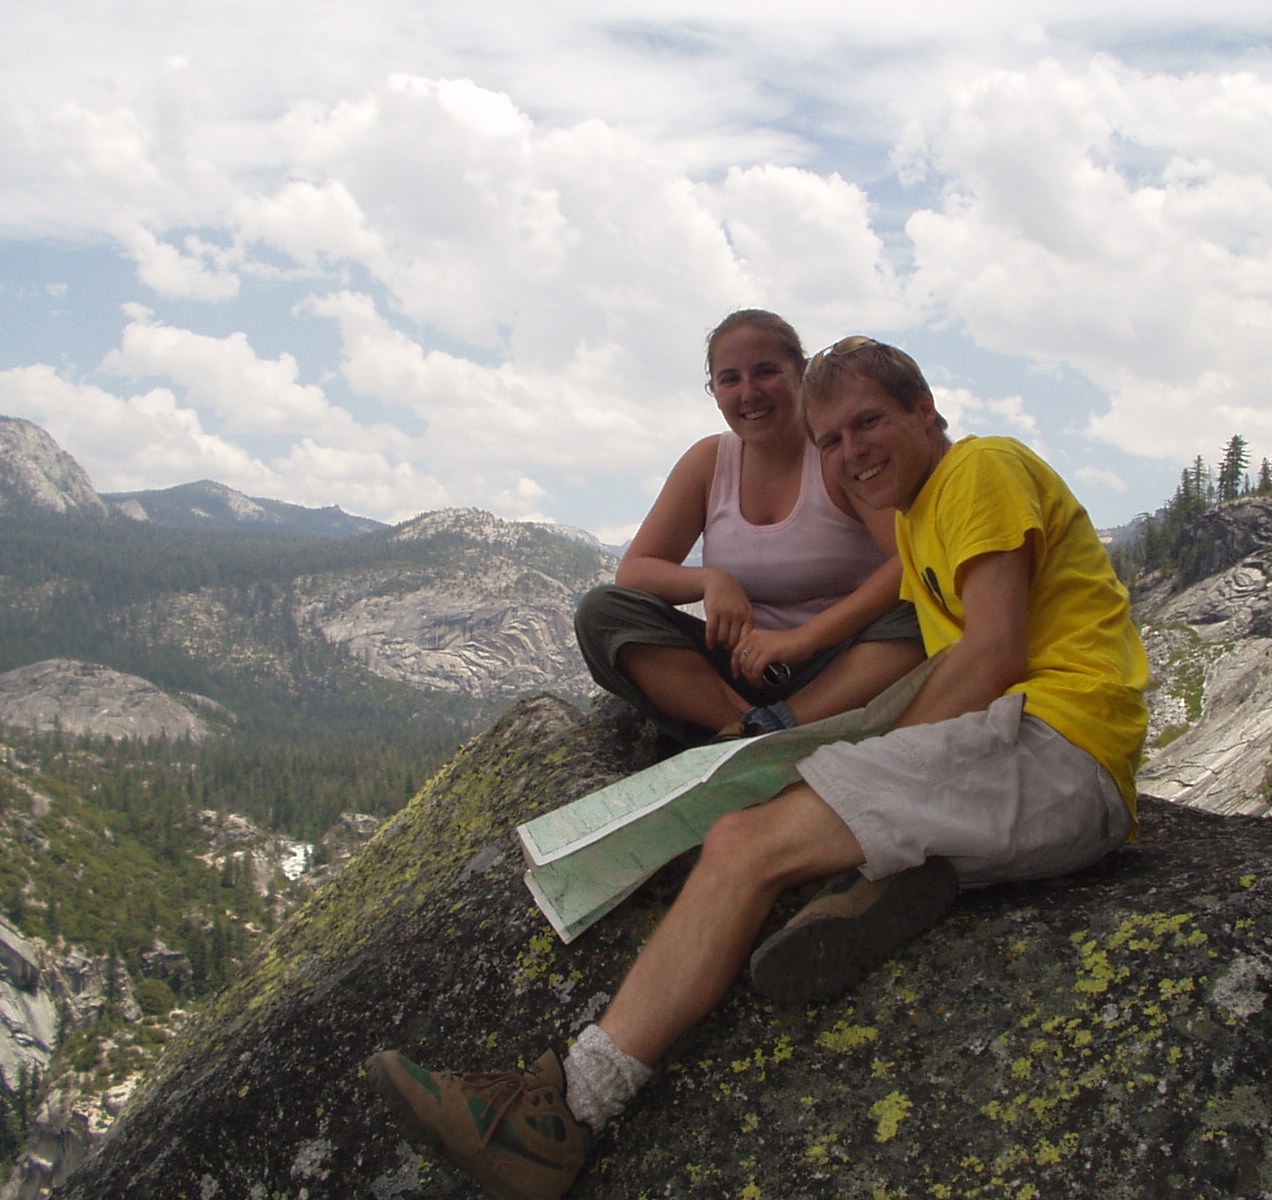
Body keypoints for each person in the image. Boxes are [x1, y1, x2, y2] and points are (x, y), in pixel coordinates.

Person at [366, 336, 1150, 1200]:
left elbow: (993, 651)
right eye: (832, 440)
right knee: (771, 823)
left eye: (869, 423)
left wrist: (867, 760)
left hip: (1058, 745)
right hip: (1031, 757)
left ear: (927, 412)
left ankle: (563, 1119)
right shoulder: (917, 511)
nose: (851, 453)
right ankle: (886, 878)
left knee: (746, 844)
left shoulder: (980, 468)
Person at [575, 310, 924, 743]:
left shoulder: (836, 452)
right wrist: (710, 580)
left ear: (801, 373)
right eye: (730, 379)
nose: (749, 393)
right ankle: (745, 729)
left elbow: (909, 560)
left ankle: (775, 727)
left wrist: (804, 639)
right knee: (602, 612)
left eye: (765, 372)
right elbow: (635, 571)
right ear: (714, 391)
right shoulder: (708, 462)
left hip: (842, 662)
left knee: (921, 610)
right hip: (744, 670)